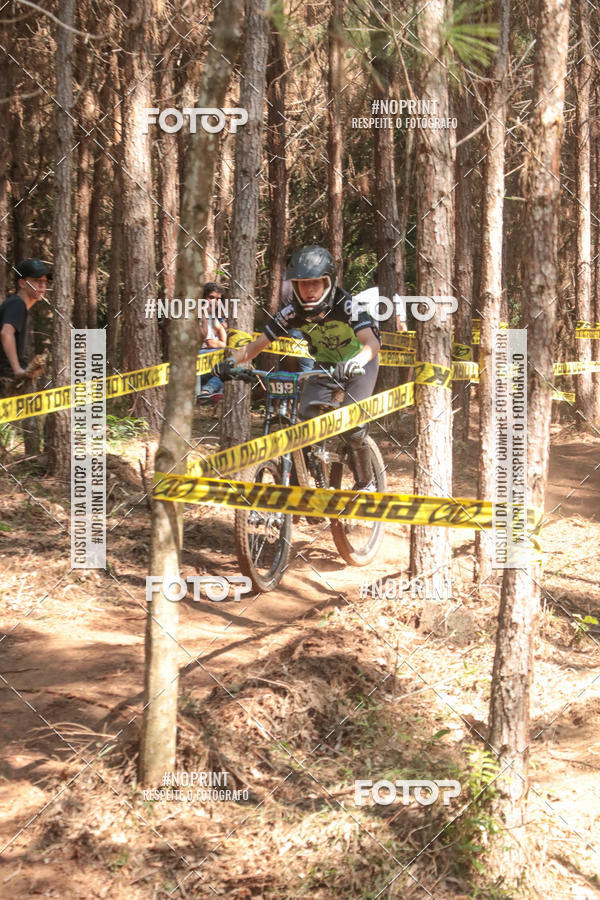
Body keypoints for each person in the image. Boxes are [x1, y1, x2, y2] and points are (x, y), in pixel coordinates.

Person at [213, 245, 381, 488]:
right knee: (304, 421)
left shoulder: (346, 306)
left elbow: (372, 342)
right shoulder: (292, 312)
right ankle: (311, 477)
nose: (309, 290)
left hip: (360, 363)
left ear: (328, 283)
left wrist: (355, 361)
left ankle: (367, 482)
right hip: (325, 365)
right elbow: (258, 345)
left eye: (315, 283)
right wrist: (230, 361)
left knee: (353, 427)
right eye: (303, 284)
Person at [0, 258, 50, 385]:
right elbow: (6, 333)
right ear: (22, 283)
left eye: (44, 281)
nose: (42, 285)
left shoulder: (15, 304)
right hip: (6, 379)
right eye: (36, 280)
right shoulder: (17, 303)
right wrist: (17, 369)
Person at [196, 282, 227, 402]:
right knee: (227, 360)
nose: (215, 301)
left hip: (212, 355)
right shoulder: (198, 313)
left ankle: (208, 392)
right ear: (203, 298)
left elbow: (224, 338)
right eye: (211, 297)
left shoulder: (215, 316)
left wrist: (223, 344)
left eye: (218, 299)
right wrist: (223, 345)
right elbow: (209, 342)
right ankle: (208, 390)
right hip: (198, 356)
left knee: (230, 362)